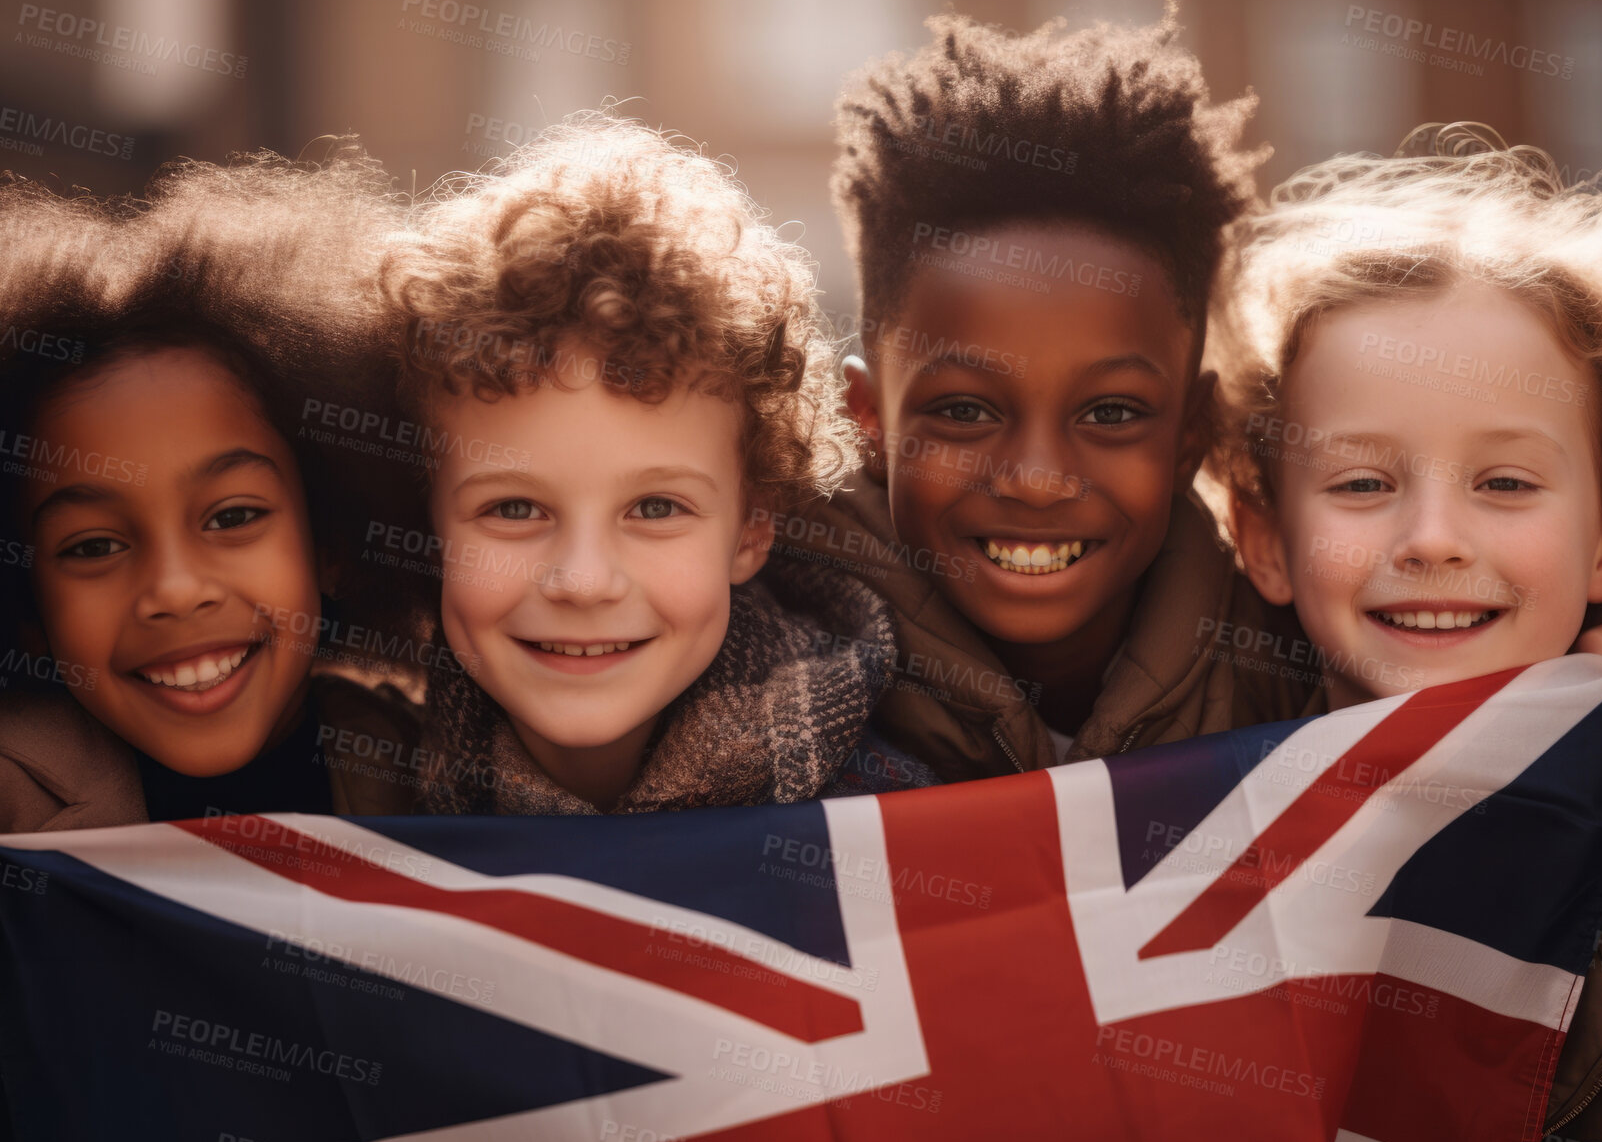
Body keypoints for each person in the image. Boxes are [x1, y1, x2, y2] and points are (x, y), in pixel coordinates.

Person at [1206, 123, 1602, 1142]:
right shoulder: (1168, 795)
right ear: (1265, 541)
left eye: (1503, 483)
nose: (1428, 538)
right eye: (1362, 483)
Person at [792, 10, 1315, 784]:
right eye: (965, 411)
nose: (1036, 479)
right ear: (866, 417)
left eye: (1110, 413)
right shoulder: (754, 684)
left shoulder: (1306, 682)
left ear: (1190, 435)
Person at [376, 114, 931, 814]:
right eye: (513, 508)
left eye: (656, 508)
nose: (583, 581)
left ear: (752, 527)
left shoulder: (892, 820)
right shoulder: (350, 801)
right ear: (424, 523)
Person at [0, 145, 418, 832]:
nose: (175, 588)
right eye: (93, 545)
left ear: (332, 541)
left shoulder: (436, 769)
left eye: (233, 517)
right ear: (26, 608)